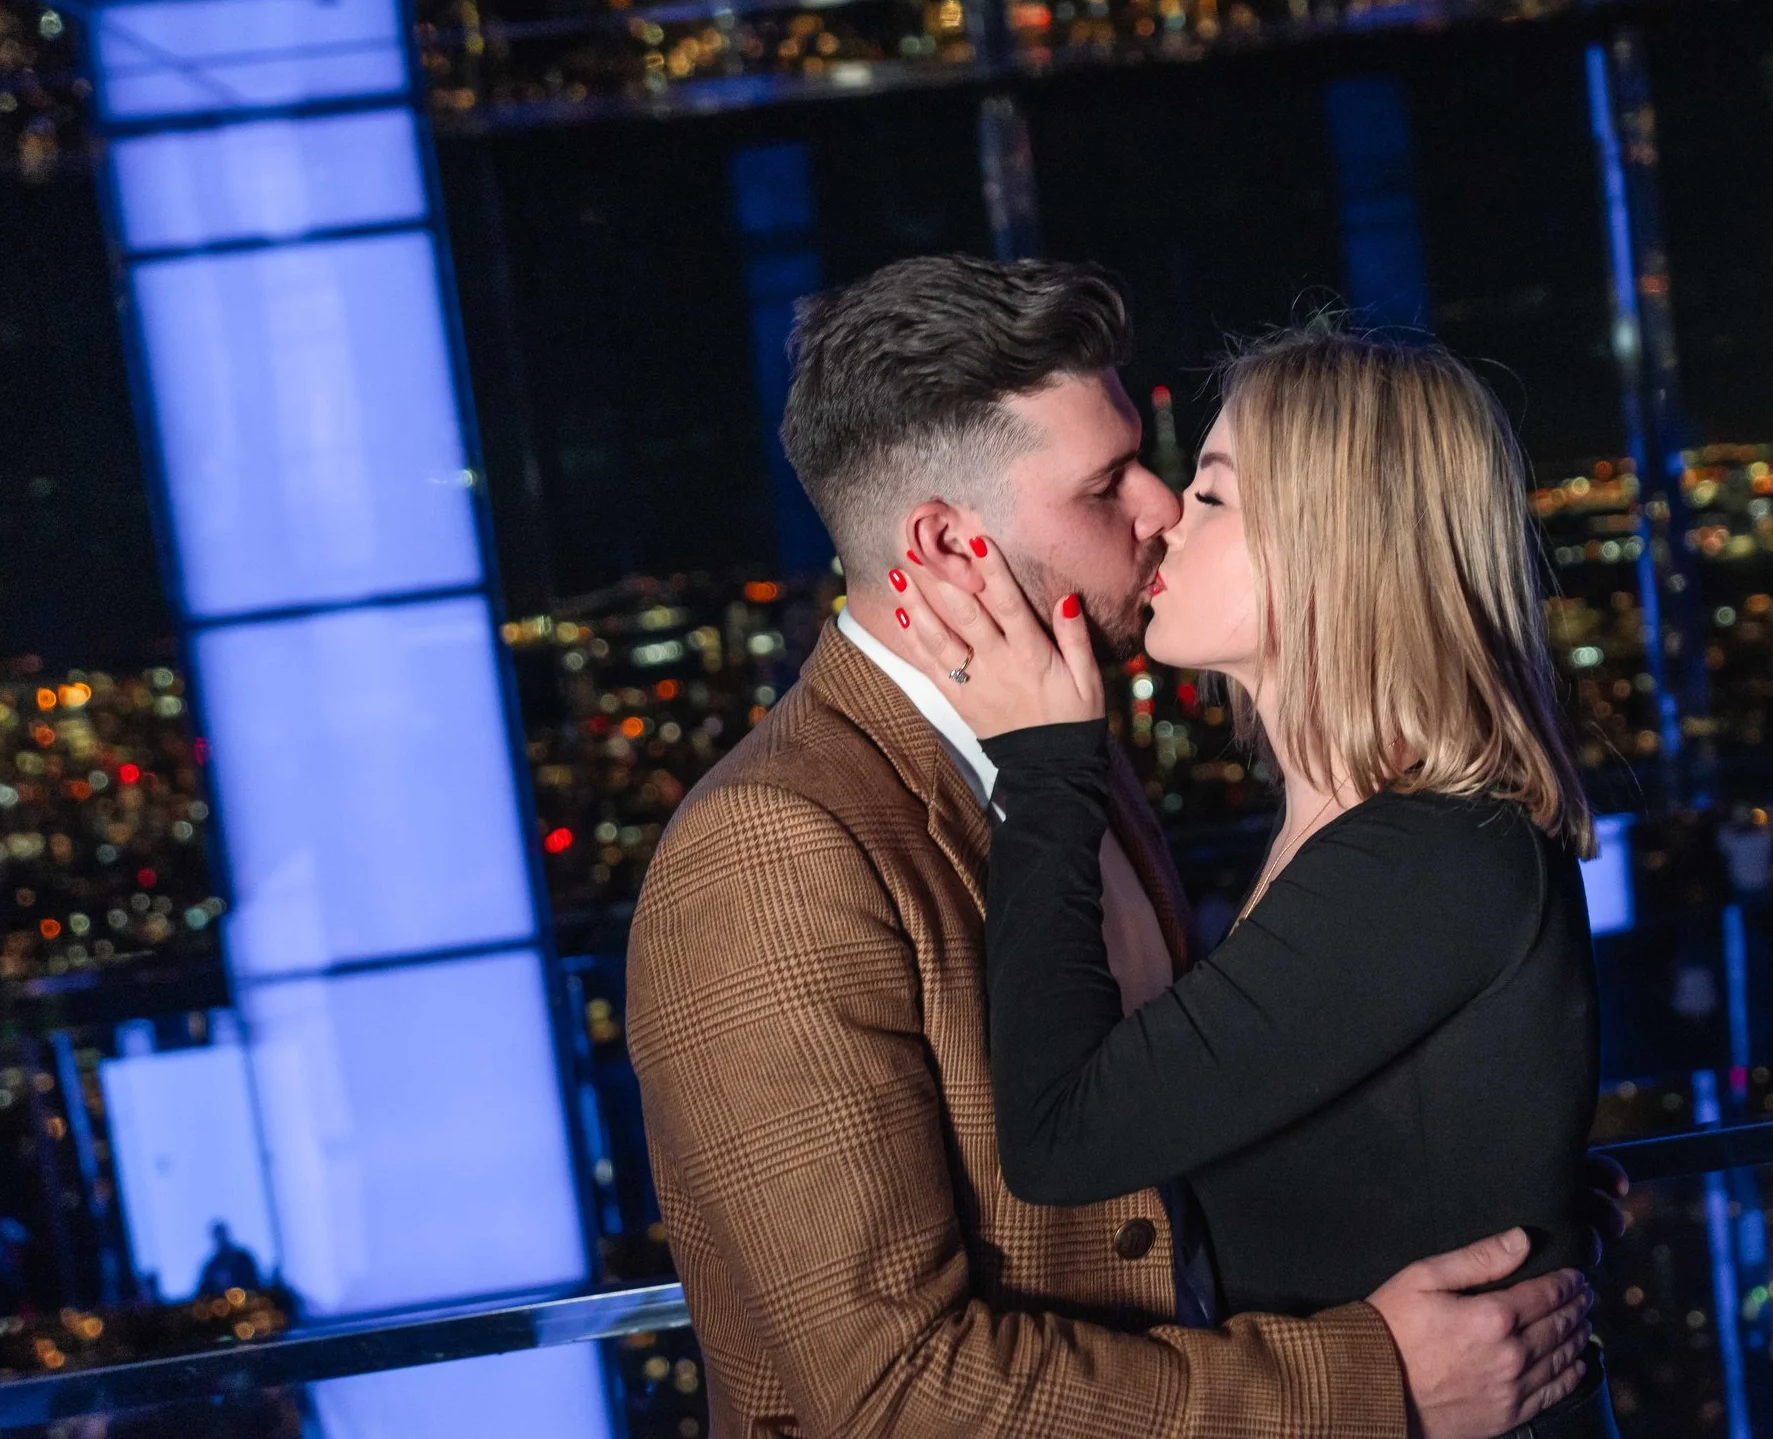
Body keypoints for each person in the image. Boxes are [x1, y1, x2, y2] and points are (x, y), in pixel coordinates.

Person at [627, 257, 1603, 1439]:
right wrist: (1365, 1379)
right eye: (1106, 484)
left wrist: (1505, 1181)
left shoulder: (1072, 756)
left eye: (1170, 472)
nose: (1159, 507)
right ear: (948, 545)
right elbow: (887, 1394)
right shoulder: (773, 850)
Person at [885, 324, 1617, 1438]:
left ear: (1333, 548)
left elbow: (1058, 1134)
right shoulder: (1371, 837)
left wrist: (1045, 768)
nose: (1169, 516)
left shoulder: (1423, 856)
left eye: (1214, 494)